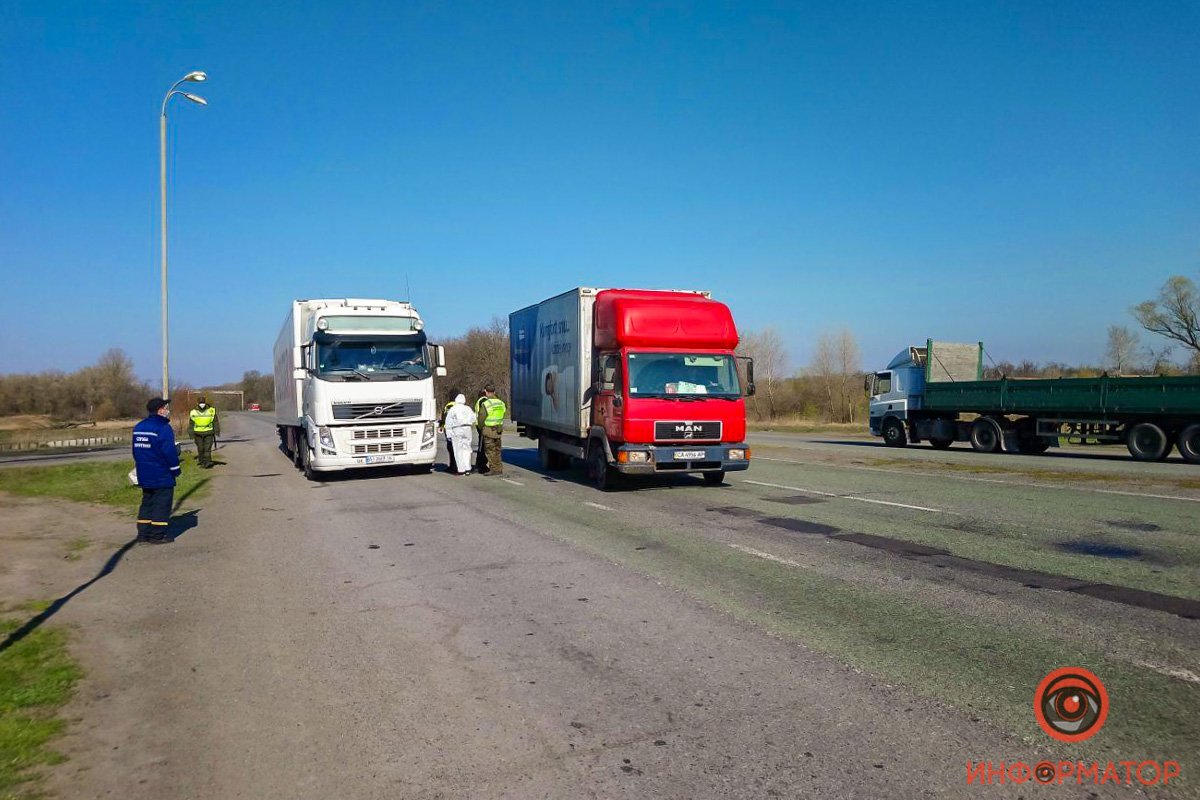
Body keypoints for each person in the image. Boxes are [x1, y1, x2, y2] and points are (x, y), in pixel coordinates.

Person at [132, 397, 181, 544]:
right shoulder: (163, 428)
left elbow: (135, 451)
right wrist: (175, 469)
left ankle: (143, 534)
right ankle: (157, 535)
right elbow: (169, 451)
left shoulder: (139, 427)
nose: (167, 410)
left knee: (147, 502)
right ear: (160, 410)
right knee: (161, 504)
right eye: (166, 408)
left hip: (144, 472)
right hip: (161, 473)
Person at [475, 384, 507, 476]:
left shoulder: (486, 404)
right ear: (495, 392)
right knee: (497, 450)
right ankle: (499, 467)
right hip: (498, 429)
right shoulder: (501, 403)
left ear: (485, 391)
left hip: (488, 429)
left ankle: (493, 469)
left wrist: (481, 428)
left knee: (490, 451)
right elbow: (503, 413)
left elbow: (481, 418)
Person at [443, 394, 477, 476]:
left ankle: (461, 469)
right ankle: (468, 468)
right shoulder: (468, 408)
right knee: (467, 448)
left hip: (457, 429)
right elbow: (474, 418)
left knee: (458, 449)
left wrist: (448, 433)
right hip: (467, 429)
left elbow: (448, 421)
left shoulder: (453, 409)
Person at [189, 395, 220, 468]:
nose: (202, 404)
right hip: (197, 433)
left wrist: (217, 430)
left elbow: (215, 421)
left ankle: (208, 462)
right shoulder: (193, 412)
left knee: (207, 449)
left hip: (209, 432)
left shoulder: (211, 410)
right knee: (200, 448)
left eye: (203, 402)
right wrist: (191, 433)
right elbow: (191, 423)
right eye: (200, 402)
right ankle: (202, 461)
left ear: (205, 403)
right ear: (197, 403)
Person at [439, 394, 458, 473]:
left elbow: (443, 417)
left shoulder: (448, 406)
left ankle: (453, 466)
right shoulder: (460, 406)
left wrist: (441, 426)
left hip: (449, 430)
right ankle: (458, 466)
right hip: (458, 429)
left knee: (451, 448)